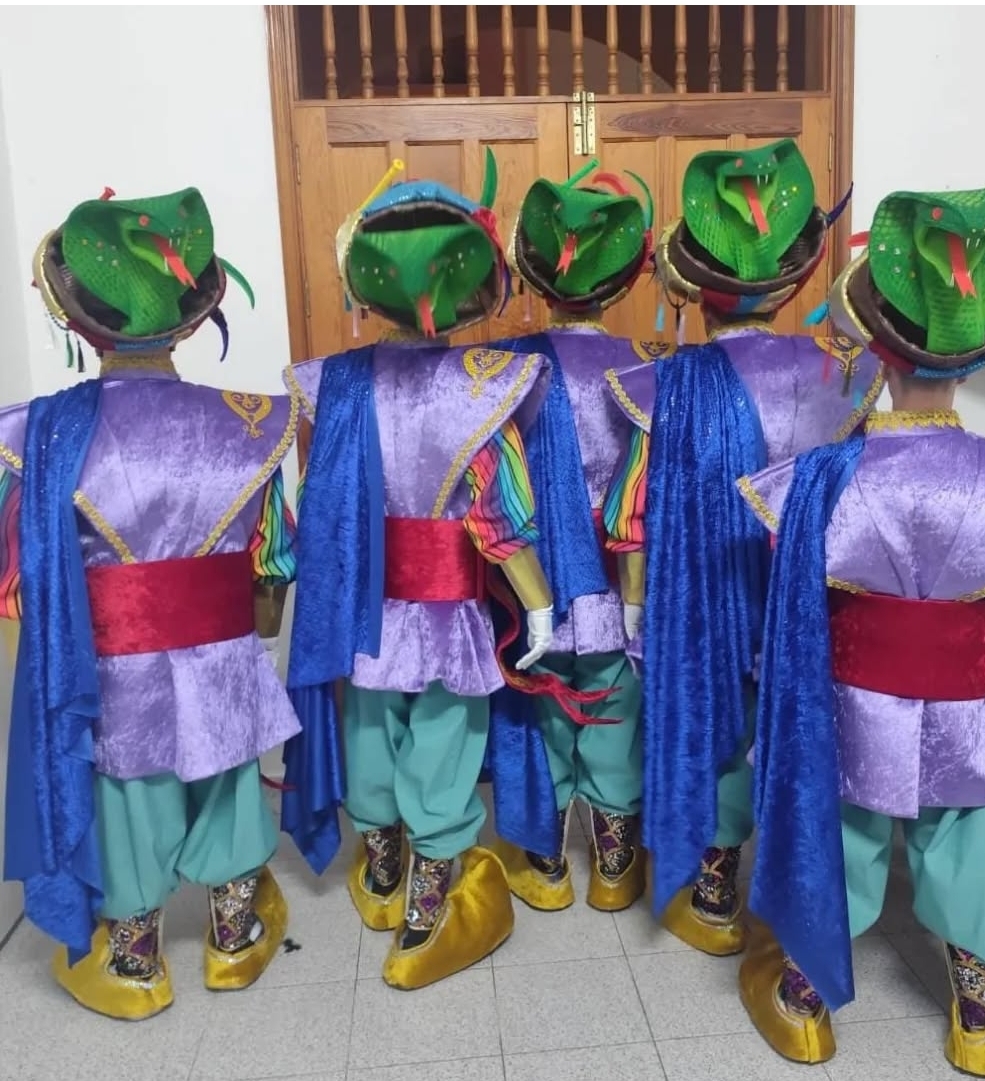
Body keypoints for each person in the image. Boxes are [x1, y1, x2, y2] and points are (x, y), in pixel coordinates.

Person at [737, 179, 985, 1075]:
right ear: (981, 356)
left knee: (845, 840)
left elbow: (795, 599)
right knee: (964, 846)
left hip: (853, 704)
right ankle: (979, 1009)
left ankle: (804, 1000)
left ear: (875, 353)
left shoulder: (819, 475)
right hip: (966, 700)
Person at [0, 186, 299, 1019]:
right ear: (194, 317)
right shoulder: (250, 422)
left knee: (129, 798)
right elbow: (273, 560)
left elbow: (18, 584)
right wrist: (255, 638)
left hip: (113, 661)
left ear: (77, 320)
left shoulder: (39, 433)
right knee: (229, 781)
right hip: (226, 649)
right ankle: (234, 940)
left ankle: (135, 963)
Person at [282, 155, 574, 990]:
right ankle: (426, 903)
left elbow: (329, 502)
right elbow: (498, 520)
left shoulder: (337, 384)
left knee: (370, 732)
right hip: (447, 616)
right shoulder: (481, 387)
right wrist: (539, 607)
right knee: (443, 748)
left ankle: (380, 871)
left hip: (366, 609)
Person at [603, 139, 883, 955]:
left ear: (694, 286)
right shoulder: (847, 376)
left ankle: (716, 883)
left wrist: (634, 610)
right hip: (814, 606)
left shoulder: (665, 382)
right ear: (794, 281)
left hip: (707, 604)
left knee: (722, 733)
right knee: (803, 733)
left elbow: (631, 512)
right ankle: (801, 899)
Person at [487, 159, 670, 914]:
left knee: (539, 709)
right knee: (613, 707)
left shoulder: (499, 370)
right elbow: (653, 491)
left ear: (529, 272)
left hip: (525, 577)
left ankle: (546, 860)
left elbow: (485, 488)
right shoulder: (649, 369)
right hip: (619, 582)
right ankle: (615, 864)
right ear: (625, 279)